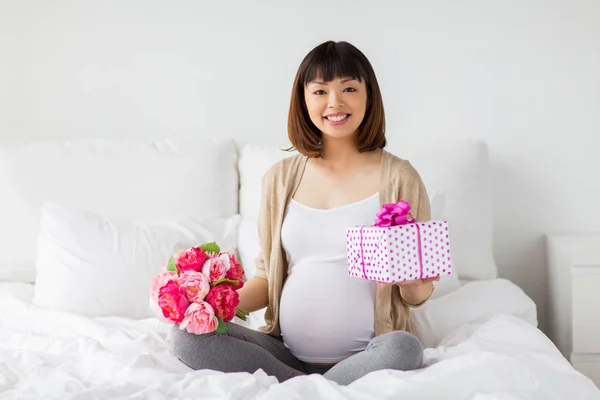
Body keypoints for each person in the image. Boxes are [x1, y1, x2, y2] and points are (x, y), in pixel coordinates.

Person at [170, 40, 438, 386]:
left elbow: (420, 293)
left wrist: (410, 281)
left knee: (405, 348)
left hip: (370, 352)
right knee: (185, 336)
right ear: (303, 99)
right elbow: (267, 278)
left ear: (369, 96)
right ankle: (308, 386)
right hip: (286, 353)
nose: (335, 103)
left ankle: (296, 389)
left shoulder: (400, 177)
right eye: (320, 91)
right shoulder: (280, 178)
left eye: (349, 88)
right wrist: (213, 300)